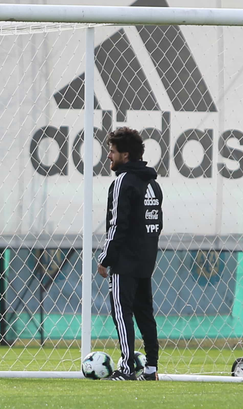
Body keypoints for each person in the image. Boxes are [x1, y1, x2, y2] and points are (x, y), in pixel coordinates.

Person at [97, 127, 163, 381]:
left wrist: (106, 259)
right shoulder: (153, 184)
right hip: (146, 259)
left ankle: (126, 369)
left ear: (125, 155)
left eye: (112, 152)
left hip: (125, 262)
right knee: (145, 313)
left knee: (121, 313)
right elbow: (157, 224)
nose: (108, 156)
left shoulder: (122, 182)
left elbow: (117, 225)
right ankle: (151, 369)